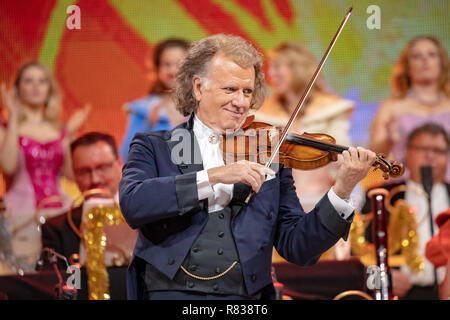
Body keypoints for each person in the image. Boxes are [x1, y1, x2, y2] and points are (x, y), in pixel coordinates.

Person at [119, 34, 377, 300]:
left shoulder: (269, 156)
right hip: (170, 293)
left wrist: (342, 190)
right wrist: (215, 175)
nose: (241, 102)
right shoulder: (155, 146)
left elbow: (299, 248)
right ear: (198, 88)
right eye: (229, 89)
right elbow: (134, 203)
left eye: (247, 91)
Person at [0, 61, 90, 271]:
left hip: (59, 212)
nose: (35, 86)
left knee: (61, 272)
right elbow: (8, 166)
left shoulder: (59, 129)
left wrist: (70, 135)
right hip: (21, 217)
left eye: (41, 81)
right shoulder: (6, 128)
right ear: (18, 88)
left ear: (49, 89)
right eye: (28, 81)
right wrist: (13, 118)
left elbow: (70, 175)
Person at [362, 123, 450, 299]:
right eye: (423, 149)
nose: (430, 156)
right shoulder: (382, 196)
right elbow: (360, 253)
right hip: (400, 293)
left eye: (438, 151)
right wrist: (384, 277)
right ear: (407, 153)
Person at [41, 132, 137, 268]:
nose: (95, 179)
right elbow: (60, 284)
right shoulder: (57, 229)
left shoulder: (146, 214)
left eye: (102, 168)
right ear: (74, 174)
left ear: (120, 164)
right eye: (84, 171)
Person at [369, 36, 450, 182]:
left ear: (441, 62)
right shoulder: (391, 106)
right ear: (407, 65)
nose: (425, 60)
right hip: (406, 188)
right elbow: (375, 155)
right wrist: (387, 138)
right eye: (417, 56)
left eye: (431, 54)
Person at [120, 38, 189, 162]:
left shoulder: (203, 108)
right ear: (157, 68)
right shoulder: (142, 110)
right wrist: (147, 126)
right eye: (167, 64)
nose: (172, 70)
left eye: (179, 64)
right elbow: (126, 156)